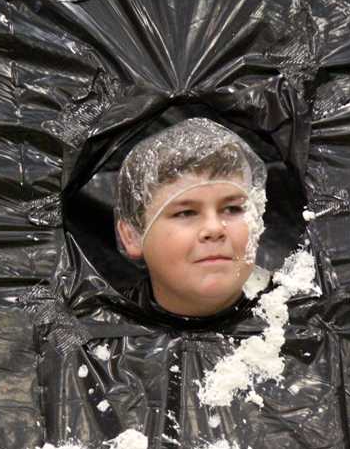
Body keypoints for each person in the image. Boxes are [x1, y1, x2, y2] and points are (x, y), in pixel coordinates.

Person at [113, 117, 270, 324]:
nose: (214, 228)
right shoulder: (94, 343)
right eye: (185, 213)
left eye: (232, 209)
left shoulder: (310, 325)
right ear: (132, 236)